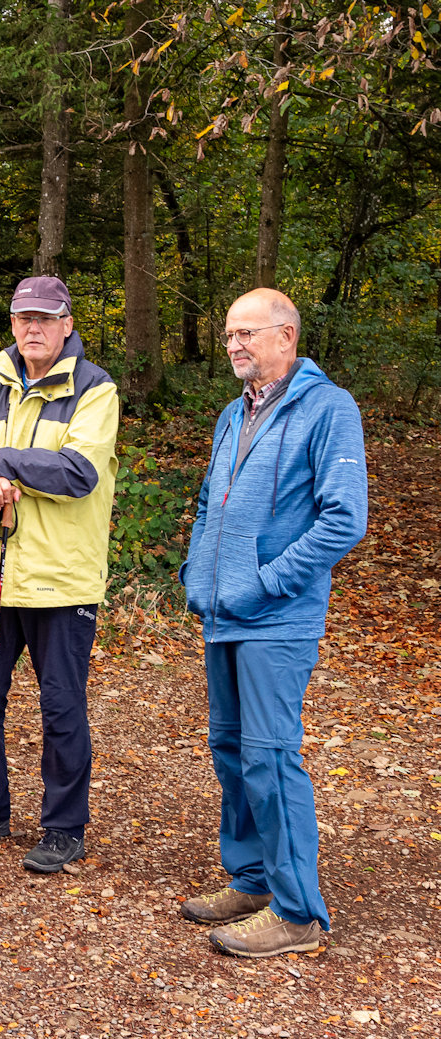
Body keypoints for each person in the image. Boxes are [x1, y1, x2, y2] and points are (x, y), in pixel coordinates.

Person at [178, 289, 366, 958]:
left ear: (286, 337)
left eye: (248, 332)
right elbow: (208, 503)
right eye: (230, 332)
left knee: (269, 756)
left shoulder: (328, 409)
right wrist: (199, 576)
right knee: (230, 751)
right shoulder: (235, 413)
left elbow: (344, 519)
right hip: (223, 615)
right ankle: (253, 878)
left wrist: (264, 582)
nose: (234, 344)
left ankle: (297, 911)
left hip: (277, 618)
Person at [0, 276, 119, 874]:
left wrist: (1, 464)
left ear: (67, 324)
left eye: (45, 318)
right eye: (22, 318)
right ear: (12, 323)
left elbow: (77, 472)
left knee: (62, 707)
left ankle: (65, 827)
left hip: (61, 581)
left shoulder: (95, 388)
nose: (32, 328)